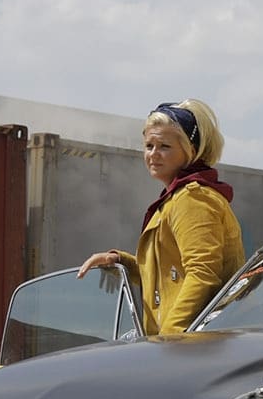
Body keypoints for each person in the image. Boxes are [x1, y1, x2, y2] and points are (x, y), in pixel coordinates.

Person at [77, 99, 245, 335]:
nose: (153, 154)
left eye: (164, 146)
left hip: (193, 345)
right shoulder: (175, 199)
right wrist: (120, 261)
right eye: (149, 146)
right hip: (182, 344)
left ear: (191, 150)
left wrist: (169, 338)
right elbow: (166, 277)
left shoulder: (193, 198)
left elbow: (203, 274)